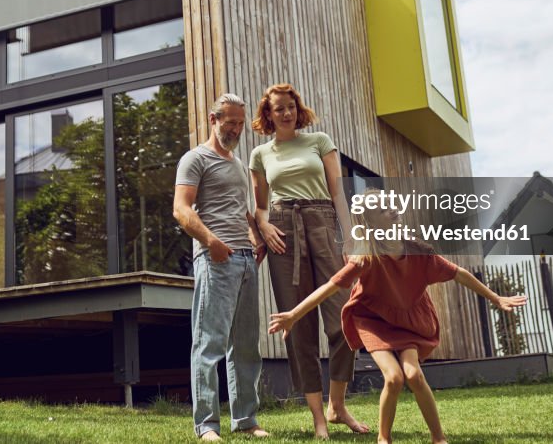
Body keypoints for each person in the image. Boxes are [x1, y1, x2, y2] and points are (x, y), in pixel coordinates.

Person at [268, 204, 528, 444]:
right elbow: (330, 286)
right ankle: (384, 439)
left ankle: (439, 438)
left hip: (407, 320)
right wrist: (293, 314)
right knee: (393, 378)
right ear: (371, 224)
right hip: (372, 320)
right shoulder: (366, 258)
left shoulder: (420, 252)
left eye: (391, 206)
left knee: (413, 374)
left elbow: (459, 274)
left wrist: (496, 298)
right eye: (383, 210)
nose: (392, 211)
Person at [249, 83, 369, 437]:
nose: (285, 113)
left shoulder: (319, 141)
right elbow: (258, 205)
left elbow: (337, 192)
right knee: (297, 326)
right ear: (268, 115)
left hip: (322, 222)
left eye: (290, 106)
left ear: (297, 109)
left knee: (343, 317)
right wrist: (265, 224)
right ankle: (318, 418)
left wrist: (350, 238)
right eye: (278, 108)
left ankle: (338, 405)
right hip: (283, 232)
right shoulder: (260, 155)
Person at [174, 93, 270, 440]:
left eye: (241, 123)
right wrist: (211, 242)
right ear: (213, 119)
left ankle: (245, 420)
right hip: (216, 260)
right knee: (209, 343)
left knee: (245, 346)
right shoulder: (194, 159)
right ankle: (207, 425)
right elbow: (181, 210)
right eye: (230, 122)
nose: (236, 129)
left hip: (246, 260)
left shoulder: (239, 164)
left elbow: (241, 210)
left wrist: (256, 239)